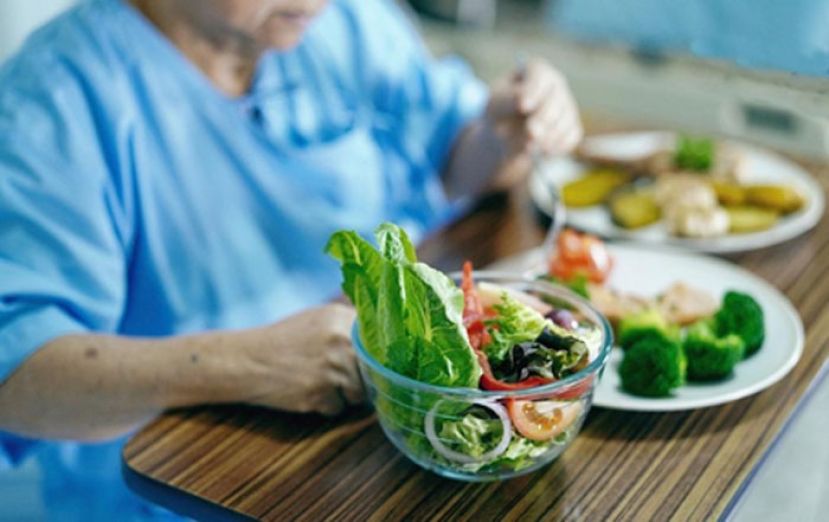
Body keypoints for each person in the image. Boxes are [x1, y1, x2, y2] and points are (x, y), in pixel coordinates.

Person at [0, 0, 582, 517]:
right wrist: (250, 366)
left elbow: (454, 160)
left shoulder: (346, 23)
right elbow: (18, 379)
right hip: (177, 482)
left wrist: (504, 134)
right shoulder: (57, 96)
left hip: (364, 447)